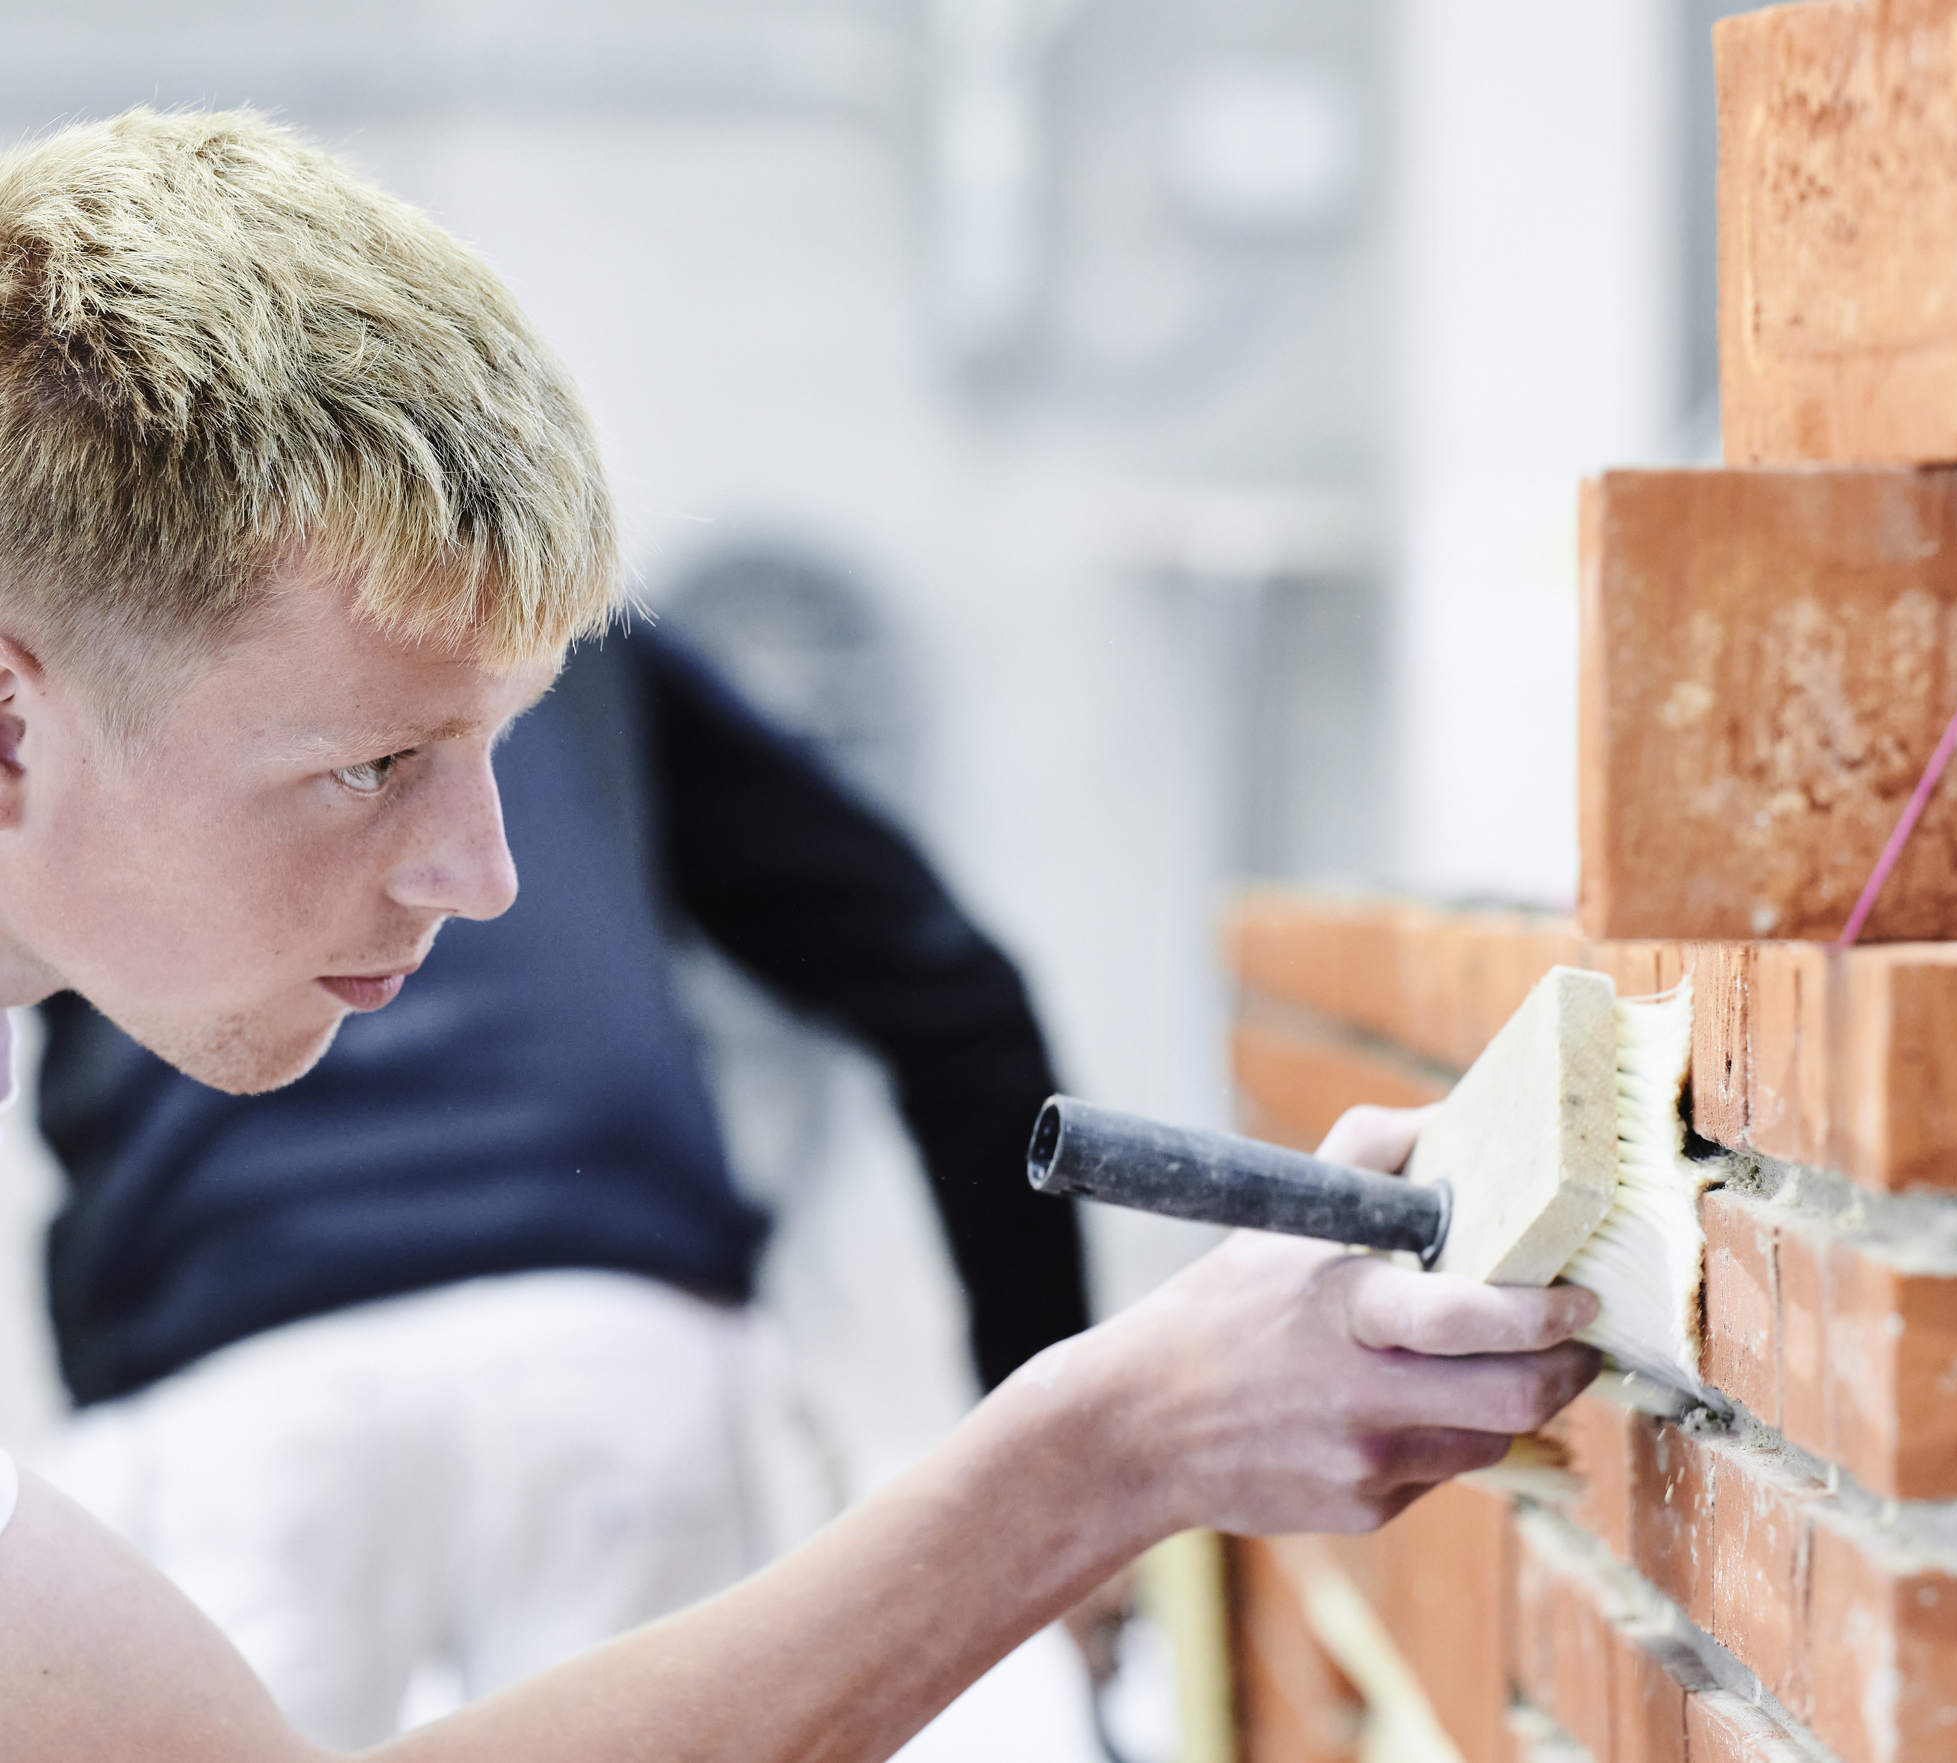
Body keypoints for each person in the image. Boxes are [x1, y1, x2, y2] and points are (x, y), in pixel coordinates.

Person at [0, 109, 1601, 1763]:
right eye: (371, 767)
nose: (488, 878)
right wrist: (1111, 1443)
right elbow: (947, 991)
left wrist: (1116, 1436)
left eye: (504, 743)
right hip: (582, 1341)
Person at [29, 616, 1091, 1747]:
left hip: (222, 1356)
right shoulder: (550, 628)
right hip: (611, 1332)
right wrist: (1059, 1466)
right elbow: (955, 997)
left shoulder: (113, 624)